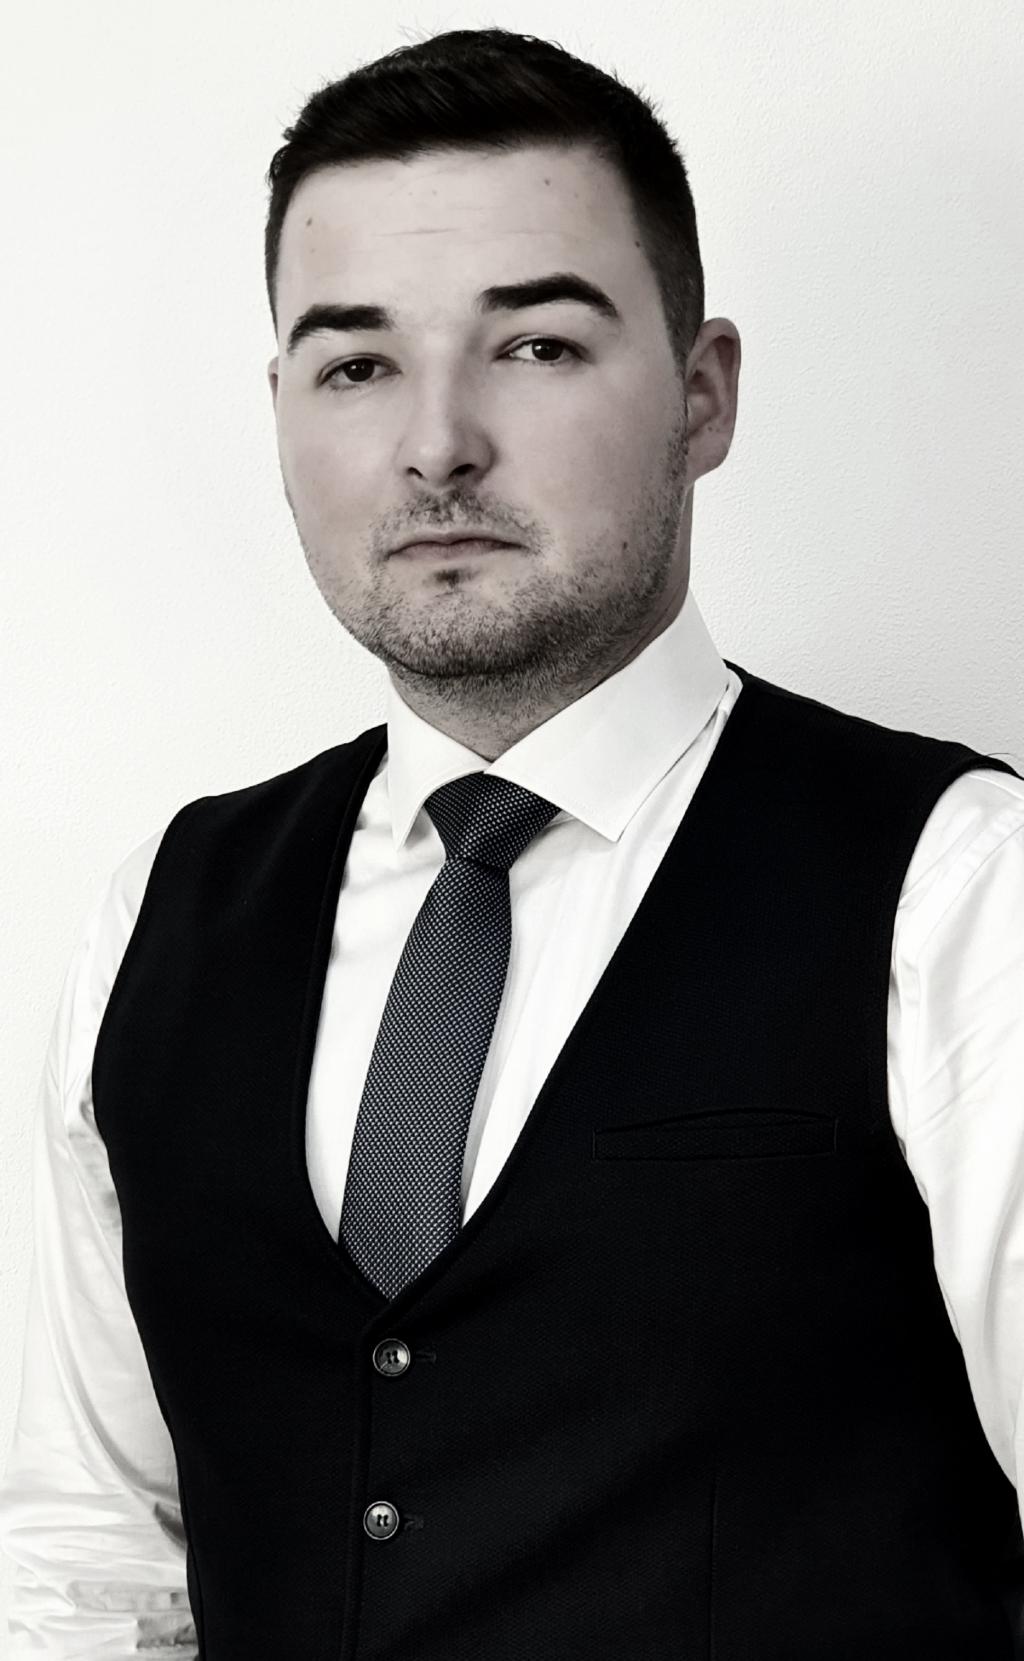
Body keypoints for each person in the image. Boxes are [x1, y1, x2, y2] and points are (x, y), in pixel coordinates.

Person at [1, 24, 1022, 1660]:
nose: (437, 444)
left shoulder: (959, 889)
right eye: (356, 365)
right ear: (281, 413)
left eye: (537, 345)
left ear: (702, 394)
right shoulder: (163, 914)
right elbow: (91, 1560)